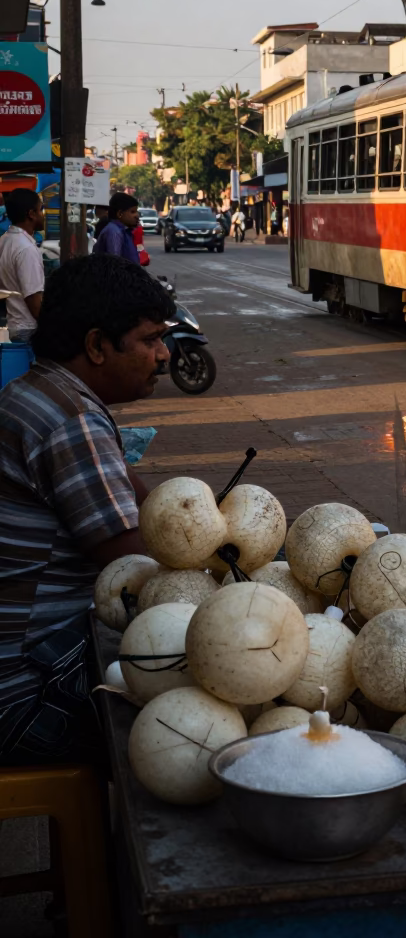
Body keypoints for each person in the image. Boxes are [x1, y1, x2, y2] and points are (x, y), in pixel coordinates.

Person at [0, 255, 173, 764]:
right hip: (22, 692)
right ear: (97, 345)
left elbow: (152, 508)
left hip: (24, 662)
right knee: (185, 726)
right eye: (149, 340)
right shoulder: (71, 421)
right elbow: (140, 569)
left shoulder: (40, 391)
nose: (163, 356)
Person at [0, 188, 45, 343]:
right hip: (28, 327)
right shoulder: (26, 249)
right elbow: (33, 299)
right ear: (31, 214)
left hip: (15, 324)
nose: (42, 215)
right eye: (41, 210)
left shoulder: (5, 240)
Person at [93, 192, 140, 264]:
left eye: (136, 211)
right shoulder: (114, 232)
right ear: (120, 214)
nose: (137, 215)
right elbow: (115, 264)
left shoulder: (124, 231)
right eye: (132, 212)